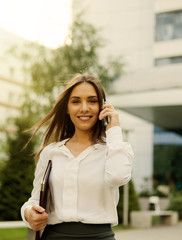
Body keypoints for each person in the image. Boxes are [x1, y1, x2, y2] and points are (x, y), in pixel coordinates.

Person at [20, 73, 134, 240]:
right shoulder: (51, 152)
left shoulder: (114, 149)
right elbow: (35, 200)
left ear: (102, 107)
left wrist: (114, 128)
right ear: (66, 108)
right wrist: (28, 213)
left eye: (92, 101)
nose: (84, 108)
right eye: (76, 101)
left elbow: (117, 177)